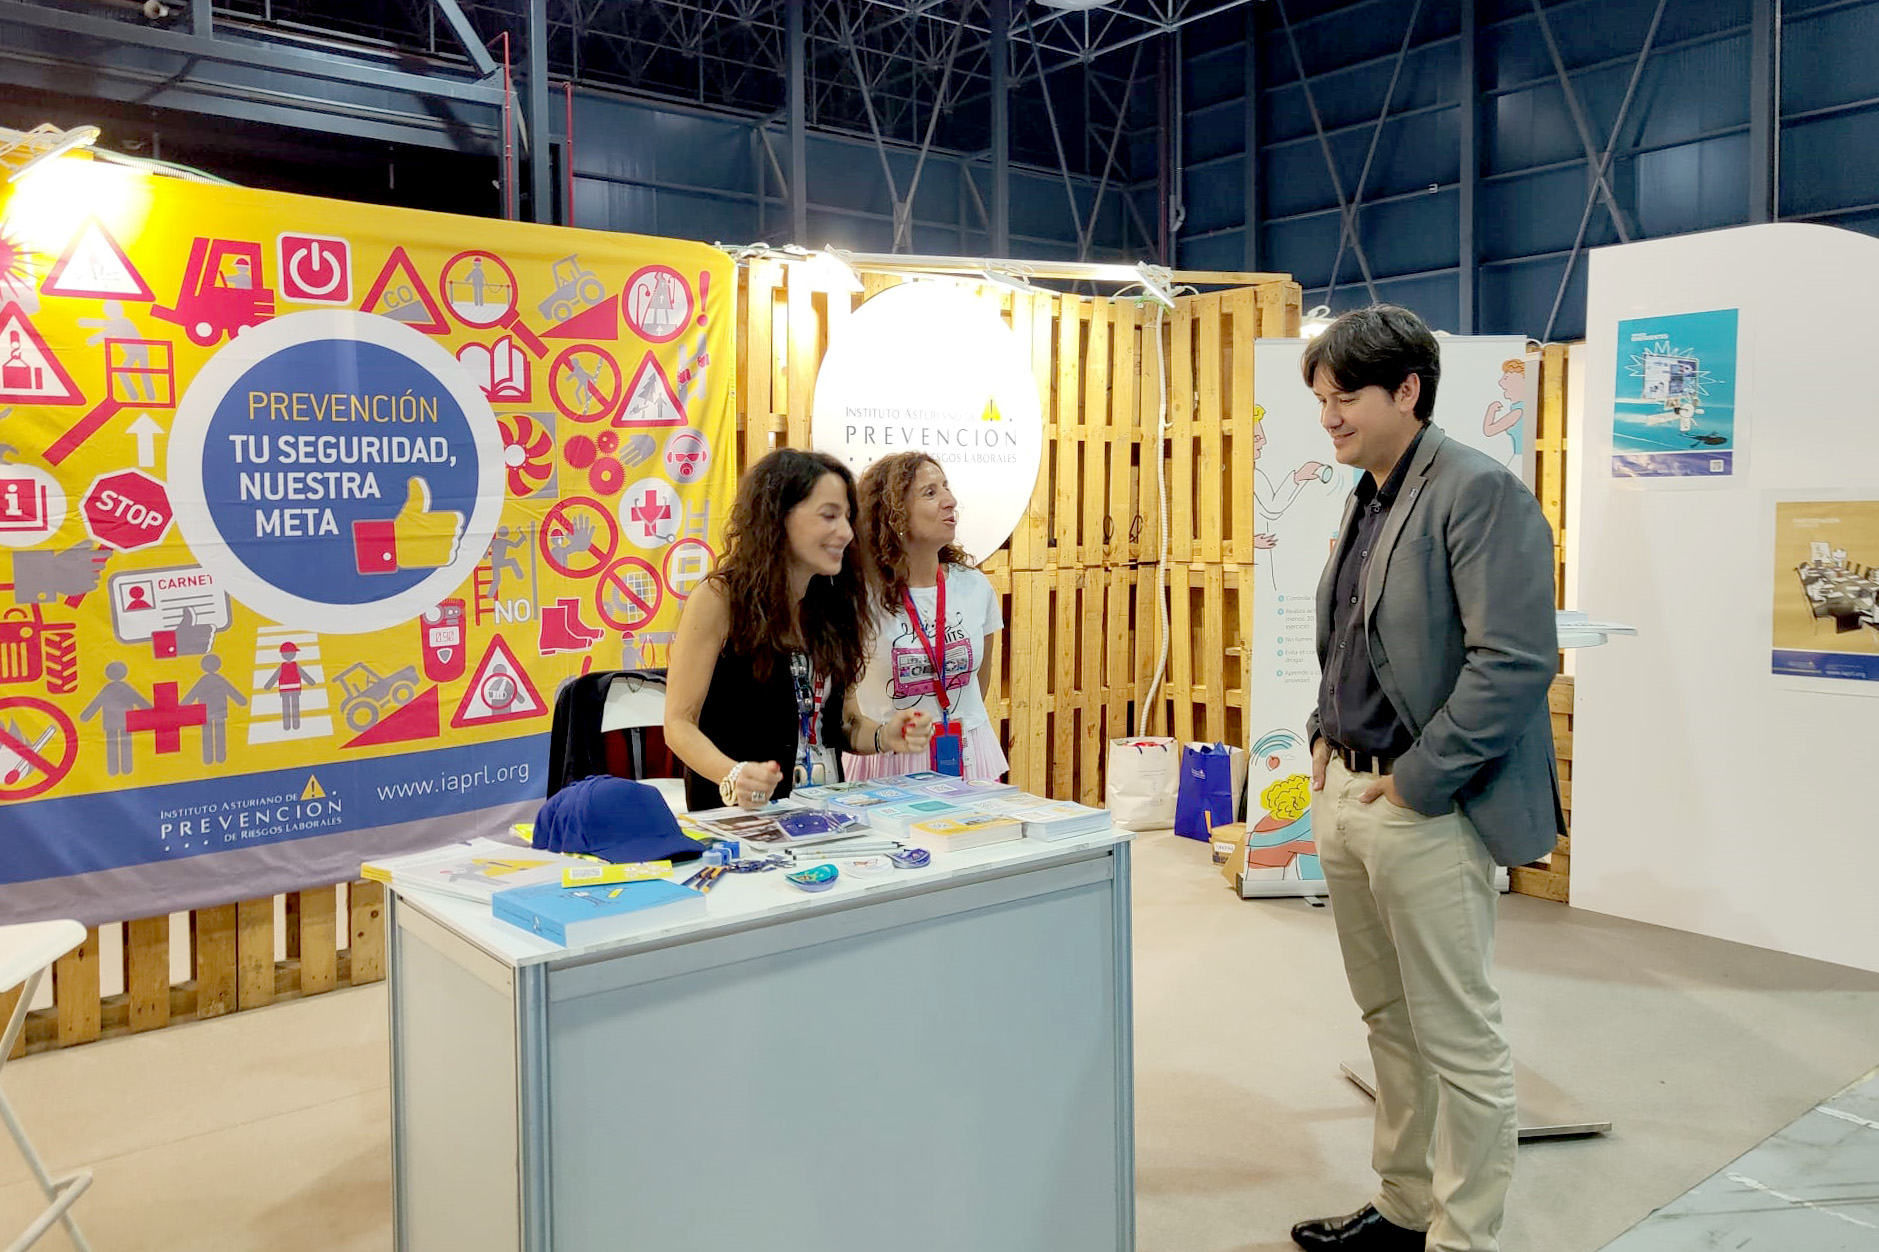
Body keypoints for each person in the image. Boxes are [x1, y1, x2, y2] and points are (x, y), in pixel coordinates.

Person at [1291, 305, 1561, 1252]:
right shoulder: (1367, 495)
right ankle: (1405, 1207)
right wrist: (1322, 732)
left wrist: (1415, 782)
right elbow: (1351, 636)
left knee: (1456, 1037)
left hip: (1422, 809)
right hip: (1347, 793)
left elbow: (1514, 662)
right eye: (1320, 400)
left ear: (1407, 390)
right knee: (1388, 1022)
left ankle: (1463, 1236)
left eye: (1345, 398)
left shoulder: (1477, 492)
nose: (1328, 417)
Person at [666, 448, 933, 812]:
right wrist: (733, 774)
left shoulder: (835, 603)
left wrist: (885, 735)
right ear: (779, 517)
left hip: (828, 815)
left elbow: (842, 723)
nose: (846, 533)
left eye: (848, 518)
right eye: (829, 516)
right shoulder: (719, 598)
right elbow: (679, 723)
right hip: (742, 819)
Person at [842, 452, 1007, 782]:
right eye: (930, 493)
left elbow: (978, 682)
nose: (950, 501)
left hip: (968, 754)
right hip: (887, 761)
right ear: (894, 515)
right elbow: (844, 710)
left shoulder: (974, 586)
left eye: (946, 487)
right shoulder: (859, 597)